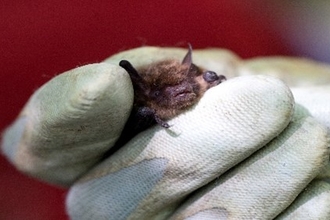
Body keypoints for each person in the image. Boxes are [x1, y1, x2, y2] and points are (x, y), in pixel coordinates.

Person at [2, 46, 330, 219]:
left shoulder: (202, 78)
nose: (179, 95)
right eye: (163, 95)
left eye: (186, 86)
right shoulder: (142, 108)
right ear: (148, 97)